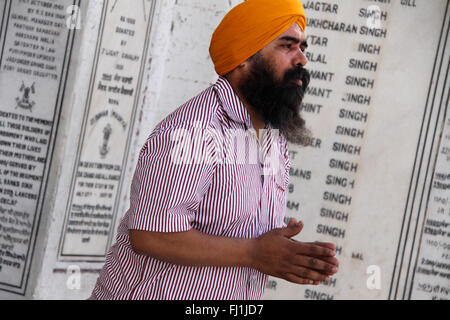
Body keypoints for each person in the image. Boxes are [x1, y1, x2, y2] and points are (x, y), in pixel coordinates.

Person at [90, 0, 338, 300]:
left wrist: (283, 253)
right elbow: (150, 234)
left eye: (303, 48)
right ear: (244, 57)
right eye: (287, 46)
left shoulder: (273, 138)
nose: (302, 59)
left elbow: (243, 239)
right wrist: (256, 253)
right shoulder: (194, 130)